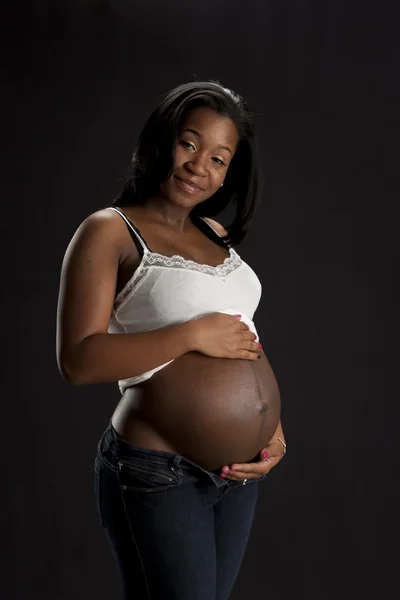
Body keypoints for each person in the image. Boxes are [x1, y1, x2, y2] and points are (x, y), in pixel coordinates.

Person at [56, 80, 286, 600]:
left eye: (219, 158)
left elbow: (241, 334)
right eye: (189, 143)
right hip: (158, 469)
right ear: (163, 140)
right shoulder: (108, 231)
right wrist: (191, 335)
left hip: (237, 474)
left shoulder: (214, 233)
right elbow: (77, 359)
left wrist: (271, 428)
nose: (199, 166)